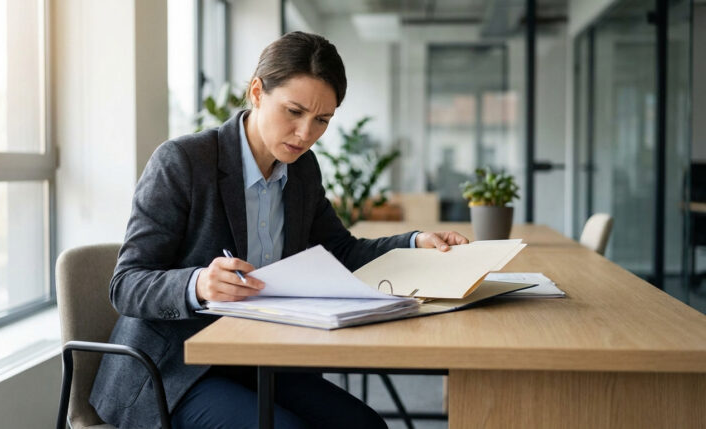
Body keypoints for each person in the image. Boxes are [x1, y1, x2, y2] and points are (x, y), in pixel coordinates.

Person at [89, 31, 469, 429]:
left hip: (259, 356)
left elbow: (339, 250)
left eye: (322, 120)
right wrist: (197, 284)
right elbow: (126, 284)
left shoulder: (302, 171)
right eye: (294, 111)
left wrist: (414, 243)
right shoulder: (184, 162)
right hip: (175, 369)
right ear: (257, 92)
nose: (306, 134)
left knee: (365, 426)